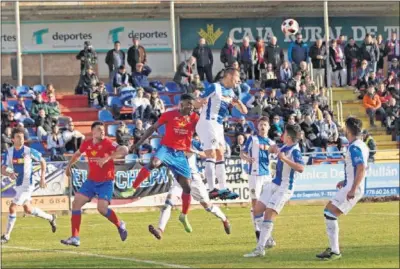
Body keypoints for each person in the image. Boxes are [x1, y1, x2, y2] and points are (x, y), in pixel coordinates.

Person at [130, 94, 199, 233]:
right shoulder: (169, 115)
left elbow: (207, 126)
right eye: (188, 103)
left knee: (187, 188)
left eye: (192, 104)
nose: (190, 107)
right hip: (166, 148)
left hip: (180, 154)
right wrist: (139, 143)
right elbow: (152, 128)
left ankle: (184, 216)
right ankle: (133, 188)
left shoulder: (195, 118)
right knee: (154, 162)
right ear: (181, 104)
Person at [61, 121, 129, 247]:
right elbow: (77, 154)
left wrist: (107, 158)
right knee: (76, 204)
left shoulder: (108, 142)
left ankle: (120, 224)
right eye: (99, 129)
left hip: (106, 181)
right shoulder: (87, 143)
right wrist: (68, 167)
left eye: (103, 129)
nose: (102, 131)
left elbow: (124, 149)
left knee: (101, 209)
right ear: (93, 132)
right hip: (91, 181)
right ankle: (75, 237)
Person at [148, 138, 231, 240]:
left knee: (207, 206)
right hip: (179, 177)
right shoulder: (170, 143)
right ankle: (160, 230)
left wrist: (194, 151)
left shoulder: (192, 142)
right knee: (168, 203)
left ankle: (224, 219)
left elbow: (209, 154)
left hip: (194, 178)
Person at [243, 123, 304, 258]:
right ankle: (268, 240)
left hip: (285, 187)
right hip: (274, 184)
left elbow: (300, 168)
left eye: (284, 133)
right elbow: (272, 149)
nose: (281, 135)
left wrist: (284, 159)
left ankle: (260, 248)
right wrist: (268, 148)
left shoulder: (295, 151)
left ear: (288, 136)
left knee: (268, 214)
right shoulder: (284, 146)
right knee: (257, 210)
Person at [316, 117, 369, 261]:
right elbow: (361, 167)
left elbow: (362, 168)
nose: (343, 130)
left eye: (345, 127)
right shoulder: (361, 145)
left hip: (353, 188)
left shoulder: (355, 147)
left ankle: (335, 251)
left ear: (348, 130)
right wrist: (346, 181)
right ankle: (333, 249)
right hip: (351, 185)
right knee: (329, 212)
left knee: (329, 213)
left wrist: (352, 188)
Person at [195, 68, 248, 200]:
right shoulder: (214, 87)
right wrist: (199, 102)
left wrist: (238, 102)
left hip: (218, 125)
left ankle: (223, 188)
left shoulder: (231, 93)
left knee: (220, 154)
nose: (239, 81)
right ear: (230, 76)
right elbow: (197, 102)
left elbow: (245, 111)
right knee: (212, 153)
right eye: (237, 78)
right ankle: (212, 189)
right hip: (207, 122)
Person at [1, 127, 57, 244]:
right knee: (28, 209)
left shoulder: (28, 151)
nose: (21, 139)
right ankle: (51, 218)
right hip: (18, 184)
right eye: (18, 137)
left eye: (22, 137)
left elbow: (42, 161)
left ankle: (6, 236)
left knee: (12, 207)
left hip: (28, 184)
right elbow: (3, 168)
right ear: (12, 139)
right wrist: (8, 173)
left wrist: (42, 177)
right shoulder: (9, 152)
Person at [240, 117, 276, 247]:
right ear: (257, 126)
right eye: (260, 124)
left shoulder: (271, 142)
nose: (262, 127)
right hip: (254, 175)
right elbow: (241, 153)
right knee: (255, 205)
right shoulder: (252, 139)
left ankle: (266, 234)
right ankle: (258, 232)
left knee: (267, 204)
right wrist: (246, 158)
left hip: (267, 175)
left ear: (269, 127)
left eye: (265, 125)